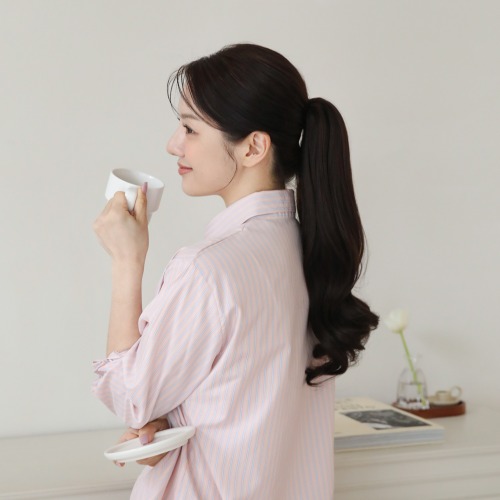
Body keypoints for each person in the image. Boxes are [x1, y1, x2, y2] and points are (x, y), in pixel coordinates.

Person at [93, 43, 379, 499]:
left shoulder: (207, 269)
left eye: (190, 128)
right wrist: (172, 421)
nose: (173, 144)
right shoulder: (307, 251)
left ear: (253, 147)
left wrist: (127, 261)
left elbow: (131, 398)